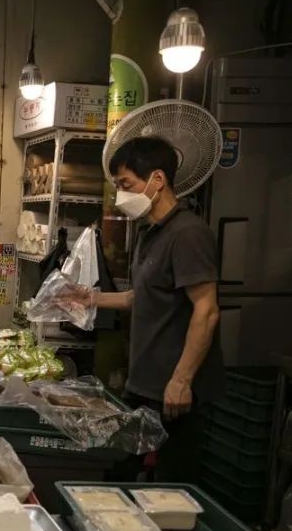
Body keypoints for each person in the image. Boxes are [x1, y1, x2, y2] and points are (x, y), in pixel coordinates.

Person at [89, 136, 223, 482]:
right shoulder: (152, 233)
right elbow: (141, 297)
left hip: (175, 392)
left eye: (126, 184)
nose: (121, 195)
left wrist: (182, 380)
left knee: (170, 486)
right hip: (145, 383)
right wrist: (88, 298)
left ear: (158, 180)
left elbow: (206, 310)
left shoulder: (189, 234)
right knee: (119, 471)